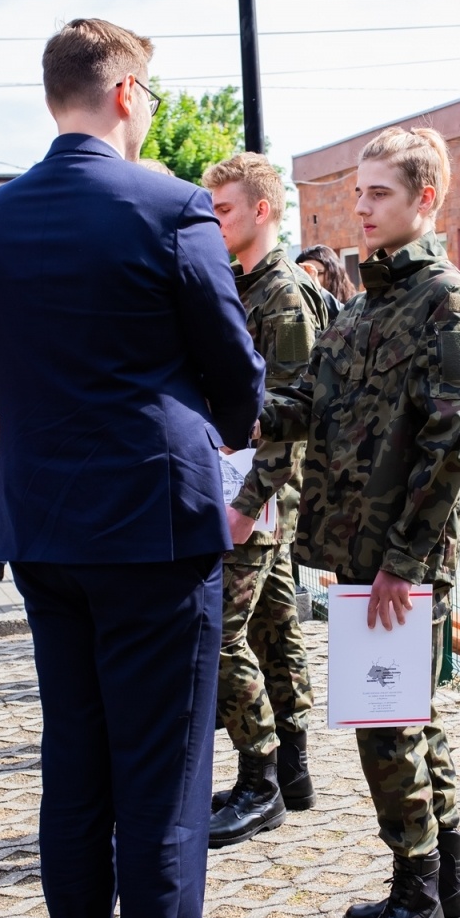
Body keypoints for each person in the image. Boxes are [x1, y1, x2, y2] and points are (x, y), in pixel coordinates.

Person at [0, 18, 283, 918]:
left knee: (76, 776)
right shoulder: (169, 206)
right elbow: (236, 375)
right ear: (127, 91)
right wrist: (211, 414)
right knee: (163, 785)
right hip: (155, 529)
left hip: (46, 527)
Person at [259, 126, 460, 918]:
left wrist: (405, 558)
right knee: (407, 722)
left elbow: (453, 441)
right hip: (362, 553)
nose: (360, 208)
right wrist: (236, 408)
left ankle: (419, 896)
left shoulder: (448, 303)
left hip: (401, 560)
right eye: (356, 193)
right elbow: (310, 402)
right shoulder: (362, 304)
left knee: (387, 725)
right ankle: (440, 887)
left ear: (425, 200)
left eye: (380, 194)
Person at [200, 152, 325, 849]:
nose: (213, 221)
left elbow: (290, 416)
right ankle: (293, 771)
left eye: (223, 210)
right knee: (275, 624)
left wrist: (249, 503)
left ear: (262, 211)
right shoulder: (245, 286)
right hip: (251, 487)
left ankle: (261, 777)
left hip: (263, 490)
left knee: (219, 634)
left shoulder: (283, 294)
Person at [295, 244, 353, 321]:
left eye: (319, 273)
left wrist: (318, 289)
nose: (310, 278)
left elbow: (348, 319)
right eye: (304, 274)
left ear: (334, 274)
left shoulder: (356, 302)